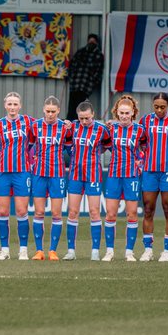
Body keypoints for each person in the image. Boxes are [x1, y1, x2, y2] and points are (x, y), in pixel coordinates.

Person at [0, 92, 32, 261]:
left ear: (20, 106)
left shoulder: (28, 122)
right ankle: (4, 250)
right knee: (3, 211)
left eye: (15, 104)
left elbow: (47, 125)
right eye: (10, 104)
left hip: (22, 172)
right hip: (2, 173)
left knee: (22, 211)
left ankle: (23, 250)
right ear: (5, 105)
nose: (12, 107)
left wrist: (66, 123)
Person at [101, 95, 146, 262]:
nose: (124, 116)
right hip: (114, 175)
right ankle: (109, 251)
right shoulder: (110, 129)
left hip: (132, 176)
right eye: (122, 113)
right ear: (117, 113)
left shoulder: (140, 130)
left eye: (127, 113)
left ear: (133, 112)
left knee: (132, 214)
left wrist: (140, 162)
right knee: (110, 214)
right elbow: (104, 146)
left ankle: (129, 252)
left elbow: (146, 149)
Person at [63, 102, 108, 260]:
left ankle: (95, 251)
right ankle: (71, 251)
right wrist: (73, 153)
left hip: (93, 175)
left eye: (87, 118)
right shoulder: (72, 127)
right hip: (75, 175)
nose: (84, 121)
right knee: (72, 212)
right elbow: (67, 144)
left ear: (93, 114)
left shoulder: (102, 129)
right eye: (81, 118)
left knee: (94, 212)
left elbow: (109, 145)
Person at [137, 92, 168, 262]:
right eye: (156, 107)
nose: (159, 110)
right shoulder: (145, 120)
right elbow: (140, 140)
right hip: (149, 170)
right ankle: (148, 250)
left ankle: (167, 251)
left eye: (163, 107)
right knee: (148, 209)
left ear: (167, 105)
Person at [27, 96, 69, 260]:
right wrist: (31, 161)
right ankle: (39, 251)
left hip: (57, 174)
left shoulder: (65, 128)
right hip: (39, 174)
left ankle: (53, 251)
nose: (50, 114)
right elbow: (28, 147)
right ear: (43, 110)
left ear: (58, 111)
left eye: (53, 111)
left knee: (56, 213)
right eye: (48, 111)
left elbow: (71, 149)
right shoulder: (35, 126)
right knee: (39, 212)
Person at [66, 34, 104, 121]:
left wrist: (93, 82)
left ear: (96, 43)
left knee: (81, 106)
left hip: (86, 85)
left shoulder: (98, 55)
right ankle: (69, 123)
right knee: (71, 107)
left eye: (93, 42)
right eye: (90, 41)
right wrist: (71, 77)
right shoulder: (80, 52)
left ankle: (79, 123)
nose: (91, 43)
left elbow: (98, 71)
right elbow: (71, 65)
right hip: (75, 83)